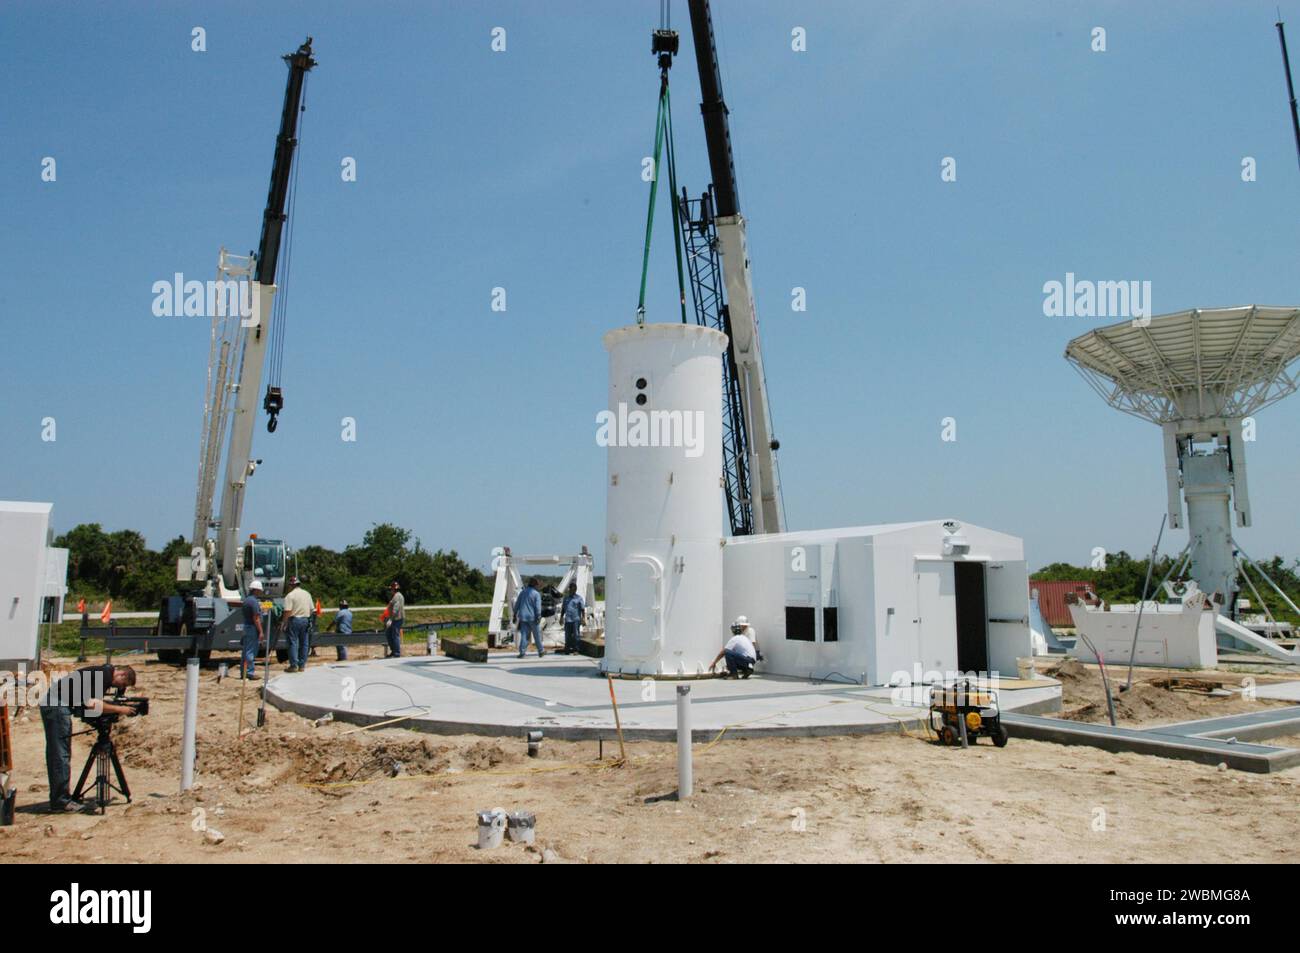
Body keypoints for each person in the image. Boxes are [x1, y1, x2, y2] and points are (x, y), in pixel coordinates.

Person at [40, 664, 139, 812]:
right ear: (122, 675)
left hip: (58, 703)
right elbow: (92, 704)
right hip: (56, 705)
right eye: (122, 684)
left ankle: (61, 798)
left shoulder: (102, 673)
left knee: (60, 753)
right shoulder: (104, 675)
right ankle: (61, 802)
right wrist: (120, 709)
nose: (119, 687)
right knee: (60, 754)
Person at [280, 576, 314, 672]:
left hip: (294, 620)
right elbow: (312, 609)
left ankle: (294, 665)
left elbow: (287, 611)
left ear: (291, 585)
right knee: (304, 643)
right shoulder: (307, 594)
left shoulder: (290, 596)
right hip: (305, 620)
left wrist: (283, 623)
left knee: (292, 643)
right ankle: (302, 665)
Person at [240, 580, 265, 679]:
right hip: (252, 628)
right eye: (259, 591)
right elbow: (256, 618)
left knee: (245, 650)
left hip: (246, 626)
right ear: (256, 590)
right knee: (251, 651)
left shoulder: (246, 600)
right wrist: (261, 631)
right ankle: (250, 673)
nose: (260, 593)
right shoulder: (254, 602)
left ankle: (244, 672)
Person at [514, 577, 543, 658]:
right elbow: (538, 607)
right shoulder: (536, 594)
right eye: (537, 584)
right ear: (534, 585)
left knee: (524, 635)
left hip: (523, 617)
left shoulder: (522, 592)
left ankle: (522, 652)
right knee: (536, 635)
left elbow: (517, 604)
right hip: (533, 618)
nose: (538, 586)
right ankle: (541, 651)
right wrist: (538, 616)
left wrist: (514, 614)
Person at [560, 582, 585, 655]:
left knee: (576, 635)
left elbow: (582, 609)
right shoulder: (566, 598)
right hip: (568, 620)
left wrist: (583, 618)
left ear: (575, 590)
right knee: (567, 635)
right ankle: (567, 649)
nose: (572, 591)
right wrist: (561, 617)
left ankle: (576, 649)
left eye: (574, 590)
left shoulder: (579, 598)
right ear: (569, 589)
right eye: (571, 590)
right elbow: (563, 609)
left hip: (576, 620)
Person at [384, 582, 405, 658]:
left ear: (394, 589)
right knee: (389, 634)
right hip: (394, 618)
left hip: (397, 619)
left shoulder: (397, 596)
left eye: (391, 589)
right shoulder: (395, 596)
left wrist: (390, 619)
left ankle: (396, 653)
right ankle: (394, 651)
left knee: (395, 635)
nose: (390, 591)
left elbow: (395, 609)